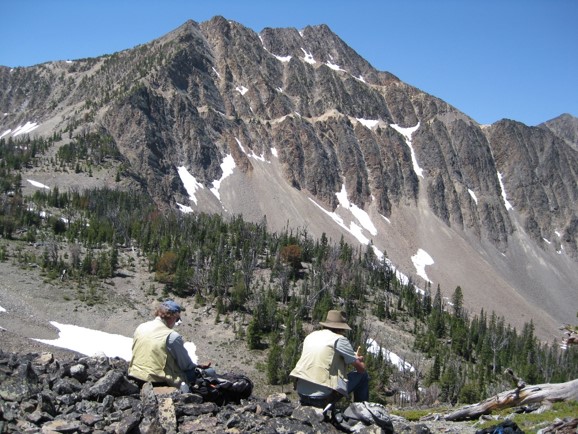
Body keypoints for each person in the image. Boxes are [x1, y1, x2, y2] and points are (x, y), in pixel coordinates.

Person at [290, 310, 369, 408]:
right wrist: (359, 360)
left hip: (301, 392)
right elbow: (361, 369)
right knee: (363, 376)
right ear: (341, 328)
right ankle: (362, 411)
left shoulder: (311, 336)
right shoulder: (339, 339)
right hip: (322, 396)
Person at [128, 300, 213, 388]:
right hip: (157, 380)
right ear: (172, 316)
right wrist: (198, 367)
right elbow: (185, 365)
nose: (175, 323)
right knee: (206, 373)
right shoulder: (172, 336)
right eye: (177, 319)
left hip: (135, 373)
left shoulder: (141, 327)